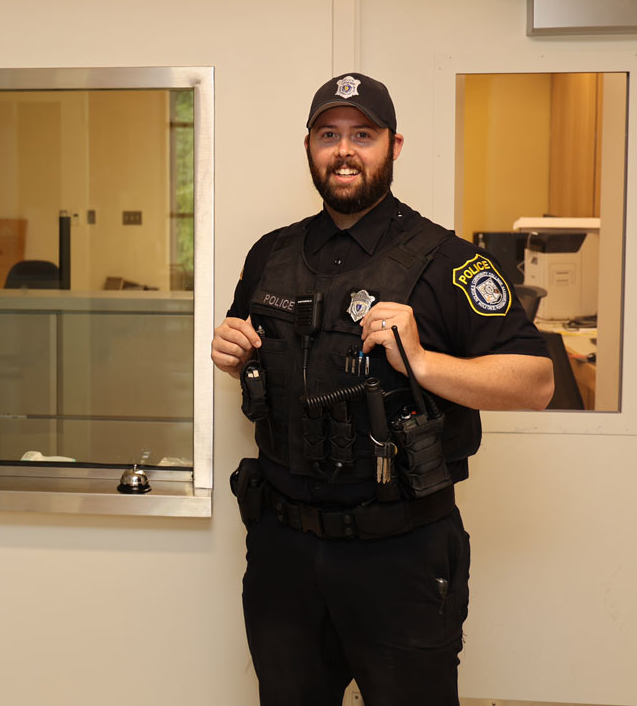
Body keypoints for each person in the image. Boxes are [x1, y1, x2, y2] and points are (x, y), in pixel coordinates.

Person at [211, 73, 555, 706]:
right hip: (283, 551)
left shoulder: (449, 262)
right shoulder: (270, 254)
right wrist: (233, 354)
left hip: (399, 553)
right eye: (329, 135)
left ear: (394, 146)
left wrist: (422, 361)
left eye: (362, 135)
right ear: (310, 146)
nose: (345, 151)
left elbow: (536, 382)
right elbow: (264, 357)